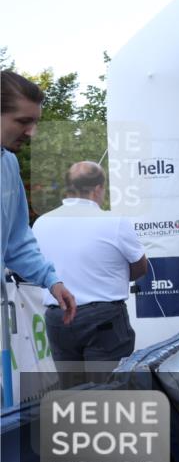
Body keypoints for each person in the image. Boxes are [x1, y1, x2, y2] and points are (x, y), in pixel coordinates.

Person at [33, 161, 148, 378]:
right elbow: (141, 267)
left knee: (72, 393)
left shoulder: (41, 223)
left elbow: (36, 266)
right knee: (109, 392)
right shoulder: (115, 221)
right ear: (98, 189)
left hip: (58, 317)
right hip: (103, 319)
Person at [0, 71, 76, 327]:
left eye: (35, 122)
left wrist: (51, 281)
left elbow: (17, 240)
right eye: (23, 121)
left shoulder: (8, 164)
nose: (32, 132)